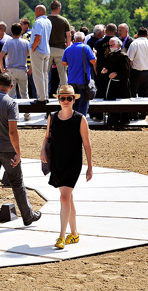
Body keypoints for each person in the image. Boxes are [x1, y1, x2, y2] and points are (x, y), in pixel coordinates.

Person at [0, 72, 42, 232]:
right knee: (17, 183)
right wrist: (18, 153)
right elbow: (13, 132)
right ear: (11, 87)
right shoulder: (11, 103)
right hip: (7, 149)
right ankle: (28, 216)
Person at [40, 85, 93, 249]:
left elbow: (87, 144)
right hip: (57, 161)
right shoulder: (52, 117)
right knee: (68, 198)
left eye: (69, 98)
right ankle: (74, 233)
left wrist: (90, 167)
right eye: (62, 98)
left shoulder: (80, 119)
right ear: (58, 99)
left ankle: (62, 236)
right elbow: (47, 137)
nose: (65, 101)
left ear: (74, 99)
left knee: (64, 197)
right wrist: (42, 150)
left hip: (73, 163)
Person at [60, 31, 96, 116]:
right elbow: (93, 61)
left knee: (74, 103)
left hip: (71, 80)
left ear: (74, 40)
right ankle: (81, 122)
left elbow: (64, 63)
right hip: (83, 80)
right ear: (83, 39)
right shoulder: (86, 48)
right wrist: (94, 54)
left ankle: (74, 120)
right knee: (83, 103)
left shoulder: (68, 49)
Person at [0, 23, 31, 107]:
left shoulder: (8, 43)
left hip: (11, 70)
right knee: (24, 93)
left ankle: (10, 113)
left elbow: (0, 57)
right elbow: (31, 56)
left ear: (12, 32)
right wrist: (30, 69)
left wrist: (2, 69)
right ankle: (27, 113)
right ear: (21, 32)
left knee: (10, 95)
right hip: (23, 69)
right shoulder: (26, 42)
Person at [127, 27, 148, 99]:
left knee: (133, 94)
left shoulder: (134, 44)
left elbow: (130, 60)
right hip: (147, 73)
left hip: (135, 72)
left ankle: (133, 110)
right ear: (147, 35)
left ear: (137, 34)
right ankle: (144, 110)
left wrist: (129, 71)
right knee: (145, 95)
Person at [29, 5, 52, 103]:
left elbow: (38, 37)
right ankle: (45, 95)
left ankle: (41, 98)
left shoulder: (38, 22)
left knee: (38, 74)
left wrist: (33, 47)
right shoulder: (48, 21)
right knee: (45, 74)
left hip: (38, 50)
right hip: (46, 50)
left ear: (38, 11)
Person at [47, 1, 71, 91]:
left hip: (48, 49)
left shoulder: (46, 19)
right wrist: (68, 48)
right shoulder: (64, 20)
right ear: (58, 8)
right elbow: (68, 35)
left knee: (45, 73)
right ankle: (65, 92)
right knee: (62, 72)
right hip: (60, 49)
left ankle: (44, 93)